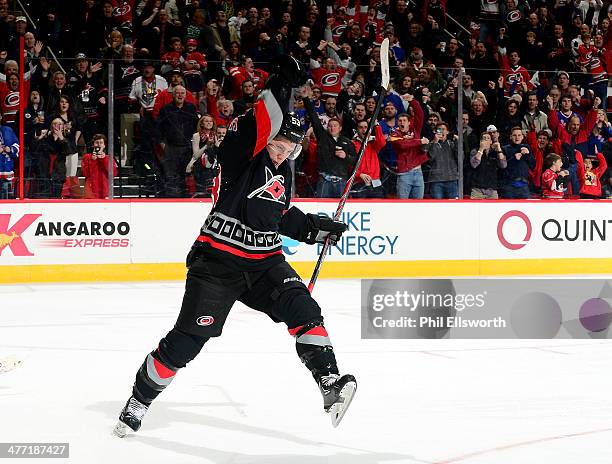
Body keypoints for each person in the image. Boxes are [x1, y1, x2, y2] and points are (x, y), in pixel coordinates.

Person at [114, 56, 356, 437]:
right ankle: (139, 400)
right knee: (188, 342)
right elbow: (263, 119)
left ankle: (329, 383)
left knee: (305, 309)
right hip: (217, 265)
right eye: (278, 144)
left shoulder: (283, 169)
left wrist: (314, 229)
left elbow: (276, 214)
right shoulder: (242, 152)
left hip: (264, 264)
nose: (282, 153)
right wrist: (281, 84)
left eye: (290, 147)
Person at [81, 134, 117, 199]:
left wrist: (104, 159)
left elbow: (113, 173)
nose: (99, 144)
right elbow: (85, 173)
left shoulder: (109, 158)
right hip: (91, 191)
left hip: (105, 190)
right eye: (97, 142)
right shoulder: (87, 157)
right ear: (93, 145)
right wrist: (93, 160)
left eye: (101, 143)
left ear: (104, 145)